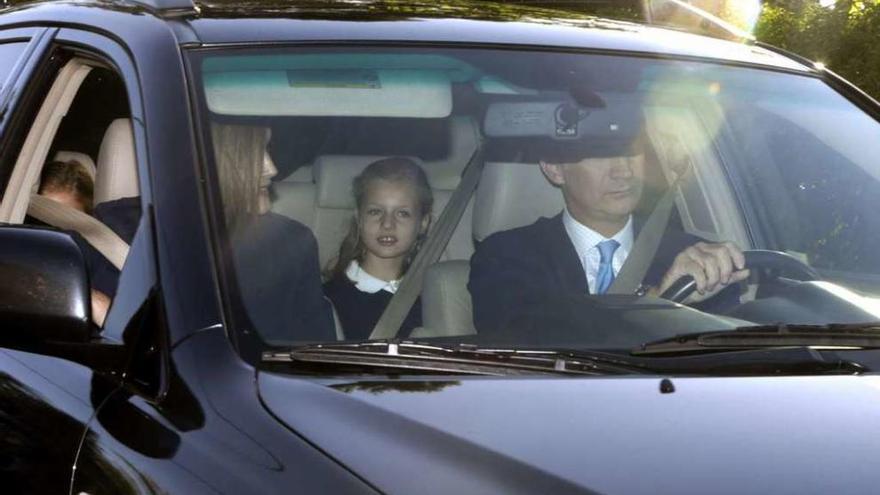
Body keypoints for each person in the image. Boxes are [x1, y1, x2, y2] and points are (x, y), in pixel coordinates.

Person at [468, 135, 749, 336]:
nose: (623, 171)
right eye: (600, 153)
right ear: (555, 168)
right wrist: (656, 301)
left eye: (631, 150)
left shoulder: (691, 257)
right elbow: (520, 340)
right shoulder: (506, 255)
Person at [213, 123, 335, 343]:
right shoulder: (156, 244)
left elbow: (317, 346)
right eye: (252, 154)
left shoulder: (292, 242)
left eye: (267, 149)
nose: (272, 168)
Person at [323, 157, 433, 340]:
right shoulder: (329, 299)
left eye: (402, 213)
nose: (387, 224)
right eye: (375, 211)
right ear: (358, 217)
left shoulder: (434, 298)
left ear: (423, 222)